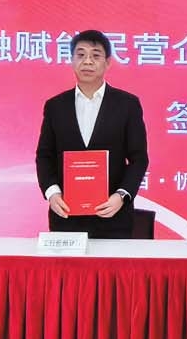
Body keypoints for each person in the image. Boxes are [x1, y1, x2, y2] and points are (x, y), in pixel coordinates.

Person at [35, 30, 149, 238]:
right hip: (66, 216)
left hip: (113, 216)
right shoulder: (55, 106)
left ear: (108, 63)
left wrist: (121, 196)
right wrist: (52, 193)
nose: (87, 61)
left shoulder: (127, 104)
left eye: (95, 55)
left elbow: (138, 158)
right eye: (80, 55)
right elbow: (44, 156)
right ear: (71, 60)